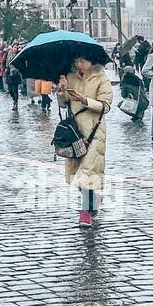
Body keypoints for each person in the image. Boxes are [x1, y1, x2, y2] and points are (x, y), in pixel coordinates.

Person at [56, 56, 112, 226]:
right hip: (75, 132)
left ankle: (85, 213)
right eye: (76, 62)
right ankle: (93, 199)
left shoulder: (101, 77)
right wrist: (62, 90)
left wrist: (84, 100)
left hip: (95, 131)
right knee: (78, 173)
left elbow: (106, 106)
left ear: (91, 61)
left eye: (82, 61)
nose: (78, 64)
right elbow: (63, 104)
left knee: (88, 171)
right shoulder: (70, 76)